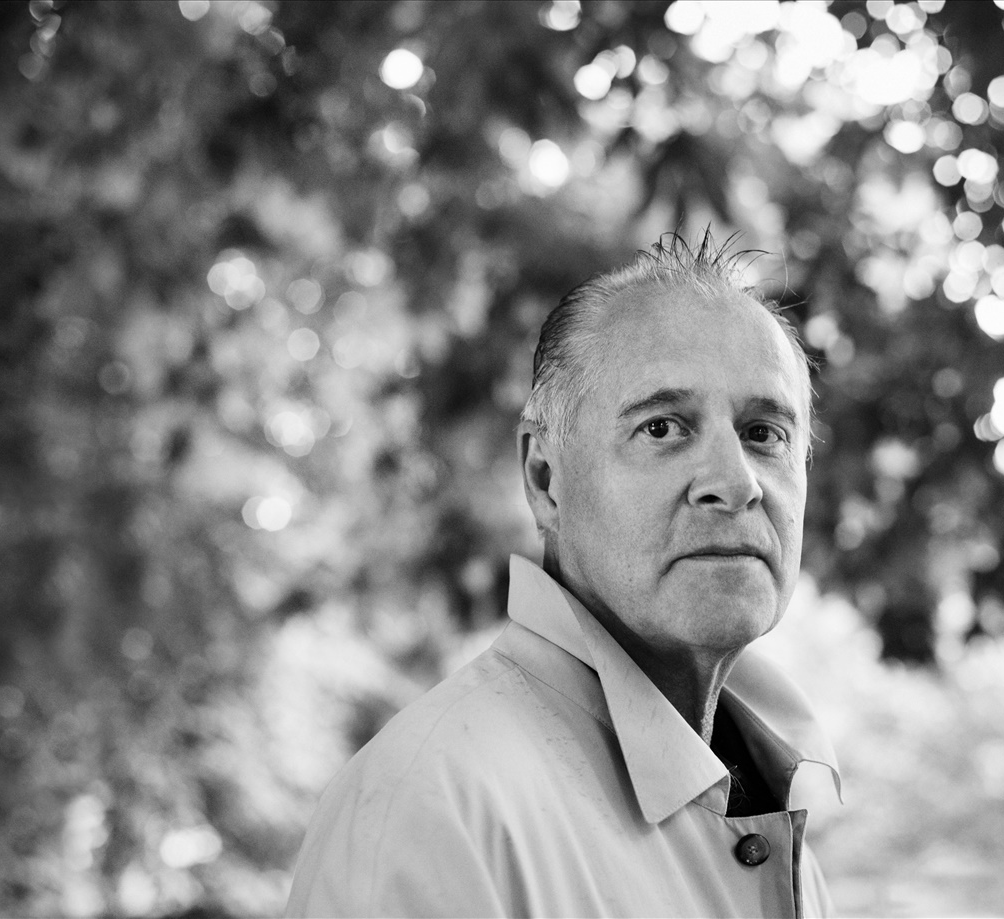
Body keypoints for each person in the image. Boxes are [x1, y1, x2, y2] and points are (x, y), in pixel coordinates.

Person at [285, 234, 842, 918]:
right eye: (662, 427)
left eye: (763, 433)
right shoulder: (430, 808)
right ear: (545, 478)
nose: (735, 482)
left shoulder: (778, 826)